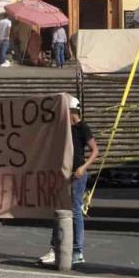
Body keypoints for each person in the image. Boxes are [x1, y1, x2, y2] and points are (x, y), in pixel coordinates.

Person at [38, 97, 98, 266]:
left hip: (77, 174)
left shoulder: (82, 127)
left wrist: (83, 168)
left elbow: (95, 150)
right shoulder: (64, 129)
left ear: (72, 112)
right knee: (60, 210)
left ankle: (77, 250)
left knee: (76, 211)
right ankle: (55, 248)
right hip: (64, 174)